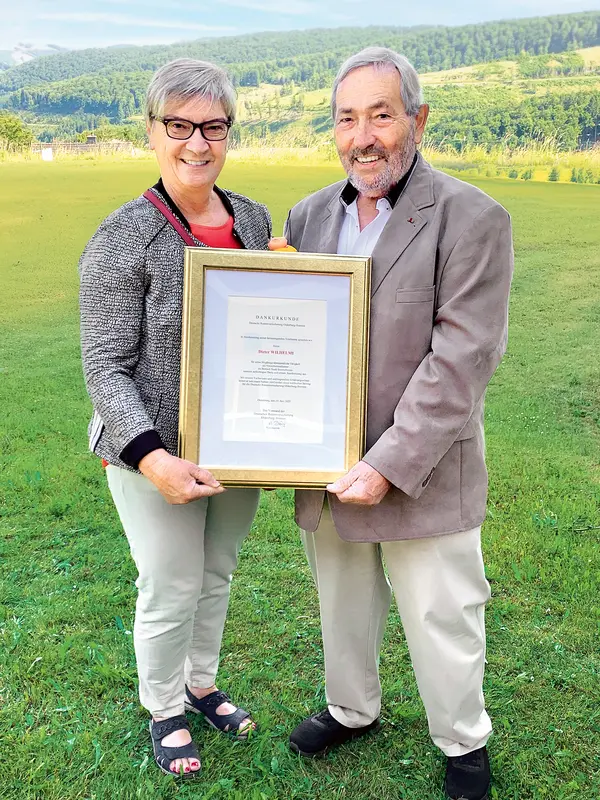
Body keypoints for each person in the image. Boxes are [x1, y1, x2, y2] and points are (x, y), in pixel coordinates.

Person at [284, 47, 513, 800]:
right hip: (323, 465)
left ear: (417, 119)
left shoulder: (472, 216)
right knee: (342, 606)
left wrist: (385, 462)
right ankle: (353, 709)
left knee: (442, 614)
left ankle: (462, 741)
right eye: (347, 119)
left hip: (420, 468)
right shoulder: (310, 215)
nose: (364, 136)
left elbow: (463, 359)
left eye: (381, 114)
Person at [79, 58, 283, 779]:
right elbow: (105, 365)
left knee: (216, 573)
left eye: (214, 127)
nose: (197, 143)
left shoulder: (254, 219)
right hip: (151, 451)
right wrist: (153, 456)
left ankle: (201, 684)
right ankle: (164, 707)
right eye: (180, 126)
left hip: (241, 439)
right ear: (153, 131)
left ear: (229, 134)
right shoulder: (124, 235)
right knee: (170, 583)